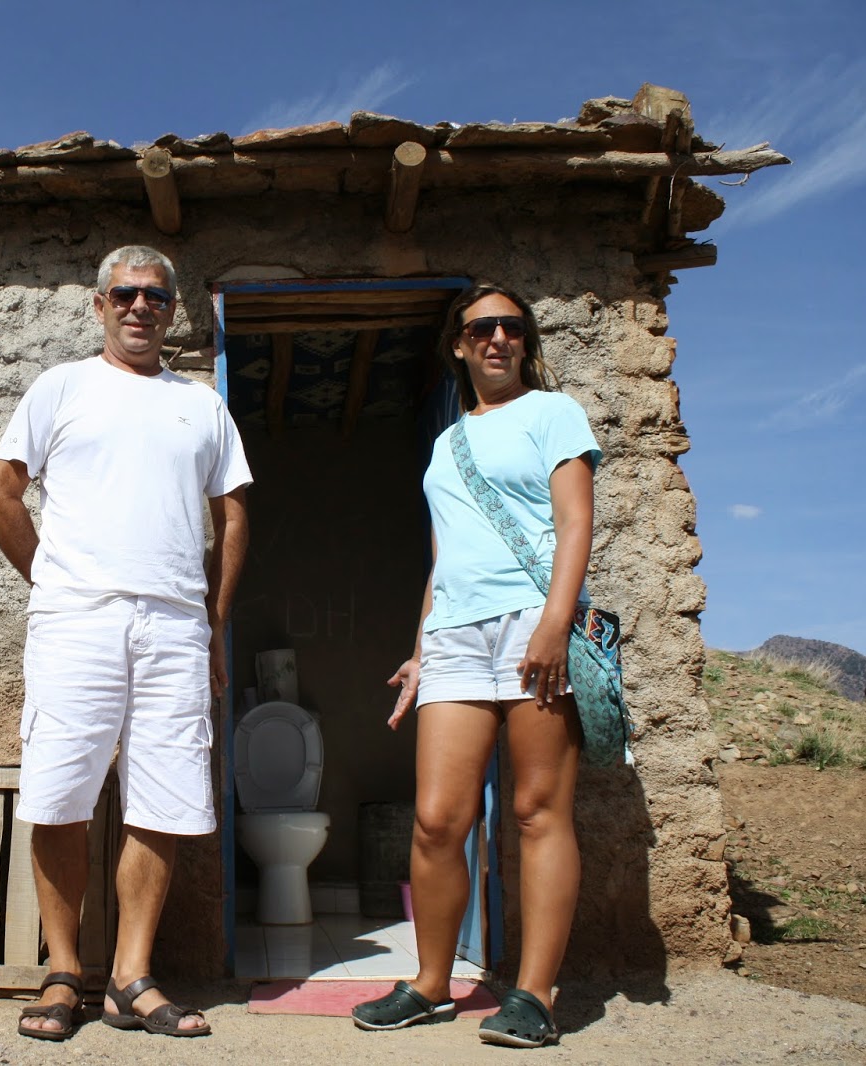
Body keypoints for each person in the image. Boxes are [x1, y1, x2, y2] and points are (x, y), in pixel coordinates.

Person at [0, 245, 251, 1041]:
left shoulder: (201, 405)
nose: (139, 307)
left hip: (175, 626)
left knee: (163, 798)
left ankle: (131, 979)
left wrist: (214, 624)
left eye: (156, 297)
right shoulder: (60, 387)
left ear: (170, 311)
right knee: (60, 794)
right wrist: (53, 583)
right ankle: (63, 972)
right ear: (100, 306)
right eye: (124, 294)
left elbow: (234, 517)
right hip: (77, 621)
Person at [351, 283, 600, 1049]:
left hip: (532, 621)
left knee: (536, 810)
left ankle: (534, 994)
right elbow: (445, 558)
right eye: (482, 328)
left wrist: (555, 623)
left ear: (526, 340)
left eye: (511, 327)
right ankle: (432, 983)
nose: (498, 338)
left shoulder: (553, 413)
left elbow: (575, 521)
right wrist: (421, 648)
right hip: (456, 635)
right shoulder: (446, 443)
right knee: (437, 820)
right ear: (458, 345)